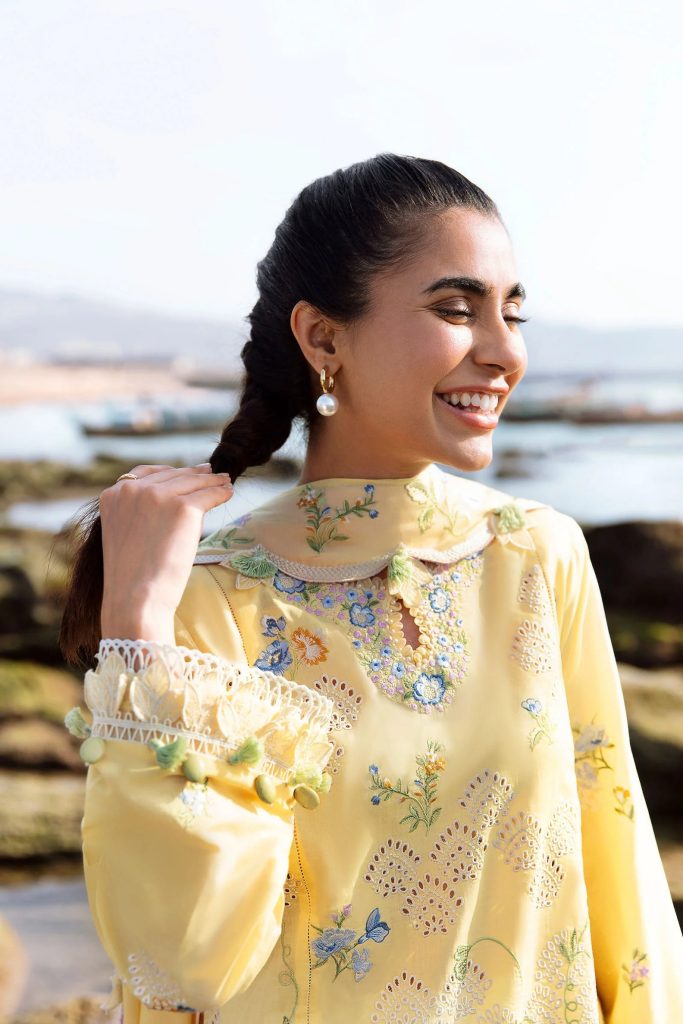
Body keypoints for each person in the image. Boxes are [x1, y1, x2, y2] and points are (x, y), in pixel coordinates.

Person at [60, 154, 683, 1024]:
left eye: (511, 313)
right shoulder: (208, 596)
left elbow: (623, 886)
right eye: (455, 309)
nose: (505, 351)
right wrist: (138, 629)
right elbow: (184, 959)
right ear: (322, 339)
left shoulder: (534, 554)